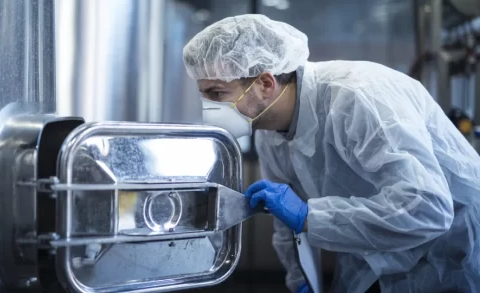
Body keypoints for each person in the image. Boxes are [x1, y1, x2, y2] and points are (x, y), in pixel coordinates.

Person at [182, 14, 480, 293]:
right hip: (373, 259)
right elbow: (287, 228)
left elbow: (429, 206)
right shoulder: (268, 132)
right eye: (204, 94)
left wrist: (310, 216)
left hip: (453, 250)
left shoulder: (356, 99)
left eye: (217, 94)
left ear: (264, 83)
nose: (209, 107)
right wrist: (300, 279)